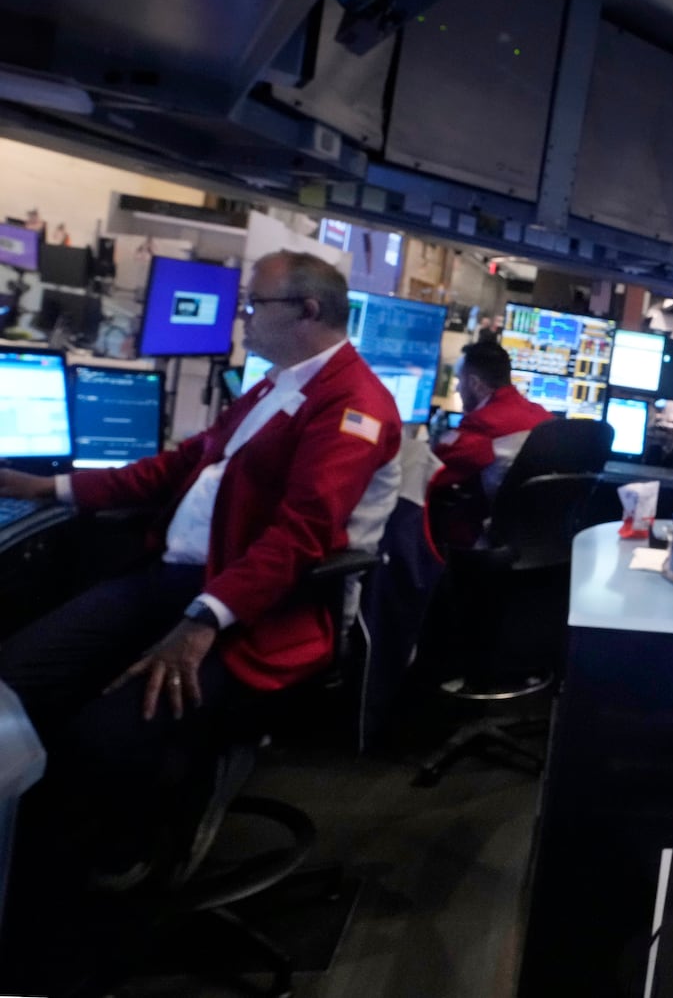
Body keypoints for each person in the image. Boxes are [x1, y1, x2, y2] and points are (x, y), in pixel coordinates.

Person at [0, 251, 403, 894]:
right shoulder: (275, 385)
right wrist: (49, 488)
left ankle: (119, 876)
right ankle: (39, 846)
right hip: (187, 580)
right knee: (17, 678)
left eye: (254, 304)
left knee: (103, 734)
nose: (242, 318)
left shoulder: (354, 404)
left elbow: (300, 535)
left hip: (262, 612)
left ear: (305, 310)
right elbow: (182, 464)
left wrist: (202, 620)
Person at [426, 340, 553, 554]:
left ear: (475, 384)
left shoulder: (483, 425)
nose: (457, 388)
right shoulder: (543, 417)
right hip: (544, 546)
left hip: (489, 545)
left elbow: (433, 471)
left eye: (459, 380)